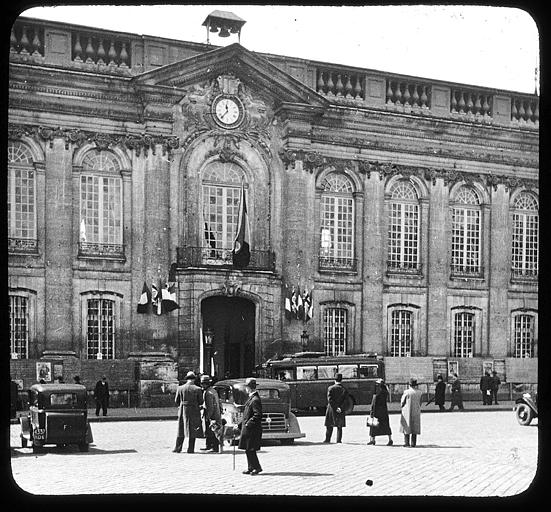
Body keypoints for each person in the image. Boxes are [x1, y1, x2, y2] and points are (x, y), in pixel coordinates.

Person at [173, 371, 204, 453]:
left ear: (187, 379)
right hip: (194, 410)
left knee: (181, 428)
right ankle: (190, 449)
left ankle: (178, 448)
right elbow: (201, 401)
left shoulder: (180, 388)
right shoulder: (198, 389)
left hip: (183, 410)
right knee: (192, 429)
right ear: (194, 379)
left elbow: (176, 400)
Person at [238, 377, 263, 475]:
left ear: (249, 388)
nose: (246, 389)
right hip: (248, 428)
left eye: (247, 387)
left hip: (252, 429)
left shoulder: (255, 399)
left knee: (251, 449)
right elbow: (246, 415)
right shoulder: (251, 398)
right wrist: (240, 424)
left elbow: (258, 415)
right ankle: (250, 467)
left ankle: (257, 467)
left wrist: (248, 424)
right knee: (248, 449)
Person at [200, 374, 223, 453]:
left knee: (212, 431)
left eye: (203, 384)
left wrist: (208, 417)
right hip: (216, 414)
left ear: (206, 384)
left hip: (211, 415)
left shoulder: (208, 393)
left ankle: (214, 447)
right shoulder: (213, 390)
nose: (202, 385)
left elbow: (210, 407)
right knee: (211, 431)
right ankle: (209, 445)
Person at [323, 373, 349, 443]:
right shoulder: (344, 389)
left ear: (335, 380)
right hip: (341, 409)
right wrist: (340, 407)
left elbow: (330, 400)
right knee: (339, 426)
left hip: (331, 409)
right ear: (341, 380)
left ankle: (327, 439)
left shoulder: (330, 388)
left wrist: (335, 407)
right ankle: (339, 440)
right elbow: (346, 401)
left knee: (329, 425)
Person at [367, 379, 393, 446]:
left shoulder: (376, 394)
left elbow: (373, 405)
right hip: (384, 412)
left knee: (373, 427)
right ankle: (390, 439)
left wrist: (371, 413)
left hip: (377, 413)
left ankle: (372, 440)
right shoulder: (385, 392)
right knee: (386, 426)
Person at [399, 378, 423, 447]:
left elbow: (402, 402)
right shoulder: (419, 392)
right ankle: (413, 443)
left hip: (407, 411)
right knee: (415, 427)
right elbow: (420, 402)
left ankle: (406, 442)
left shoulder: (406, 392)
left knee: (406, 426)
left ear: (409, 385)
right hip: (416, 411)